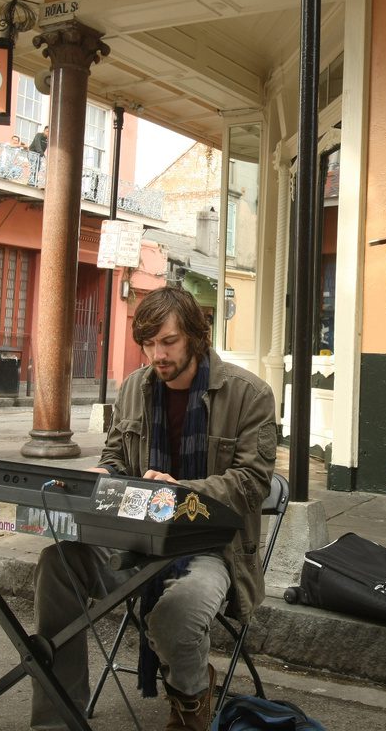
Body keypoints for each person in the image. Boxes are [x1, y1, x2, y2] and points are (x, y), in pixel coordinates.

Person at [32, 286, 276, 731]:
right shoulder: (132, 389)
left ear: (196, 337)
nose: (156, 354)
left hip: (212, 549)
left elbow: (252, 484)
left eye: (168, 342)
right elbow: (114, 460)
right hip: (135, 539)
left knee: (177, 611)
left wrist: (179, 490)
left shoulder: (249, 394)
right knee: (57, 564)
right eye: (147, 344)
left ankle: (190, 696)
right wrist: (102, 477)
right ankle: (57, 717)